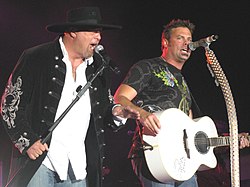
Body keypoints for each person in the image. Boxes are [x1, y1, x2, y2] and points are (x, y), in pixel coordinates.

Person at [0, 6, 139, 187]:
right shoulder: (36, 57)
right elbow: (9, 105)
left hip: (77, 168)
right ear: (72, 32)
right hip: (40, 163)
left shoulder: (98, 66)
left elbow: (104, 111)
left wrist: (118, 112)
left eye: (99, 32)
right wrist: (27, 142)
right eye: (92, 31)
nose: (98, 37)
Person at [114, 19, 250, 187]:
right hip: (154, 153)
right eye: (180, 38)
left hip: (184, 160)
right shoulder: (147, 67)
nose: (187, 43)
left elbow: (191, 130)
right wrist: (142, 114)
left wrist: (231, 140)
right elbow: (120, 98)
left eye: (189, 39)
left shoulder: (183, 82)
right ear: (165, 42)